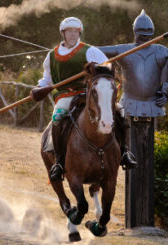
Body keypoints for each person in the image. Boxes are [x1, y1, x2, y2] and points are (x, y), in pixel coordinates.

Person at [98, 9, 168, 228]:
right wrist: (77, 49)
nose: (144, 35)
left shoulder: (161, 50)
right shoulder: (124, 50)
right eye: (141, 32)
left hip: (153, 105)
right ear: (135, 31)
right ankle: (124, 155)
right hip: (129, 104)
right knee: (124, 141)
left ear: (153, 32)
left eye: (148, 32)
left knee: (146, 151)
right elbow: (96, 53)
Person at [31, 17, 137, 181]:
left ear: (79, 32)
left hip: (89, 94)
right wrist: (38, 87)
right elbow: (47, 79)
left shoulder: (90, 51)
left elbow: (107, 68)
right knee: (57, 117)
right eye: (69, 32)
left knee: (120, 111)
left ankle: (125, 152)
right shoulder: (51, 56)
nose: (73, 35)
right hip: (65, 95)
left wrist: (98, 68)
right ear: (63, 33)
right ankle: (59, 162)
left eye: (76, 31)